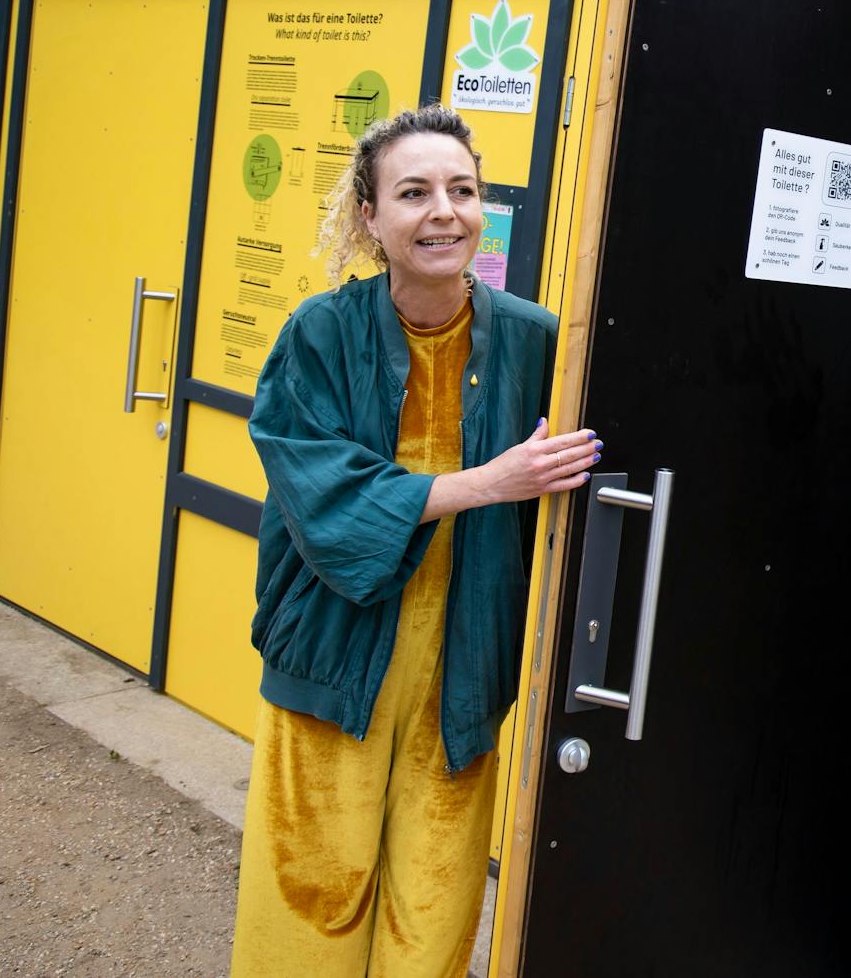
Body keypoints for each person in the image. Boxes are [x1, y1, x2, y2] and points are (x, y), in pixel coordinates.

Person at [231, 104, 599, 975]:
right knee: (311, 904)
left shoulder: (538, 342)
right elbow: (324, 496)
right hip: (331, 662)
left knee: (433, 910)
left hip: (462, 674)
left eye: (462, 190)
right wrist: (488, 482)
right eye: (414, 192)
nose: (444, 211)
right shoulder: (318, 334)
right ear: (369, 215)